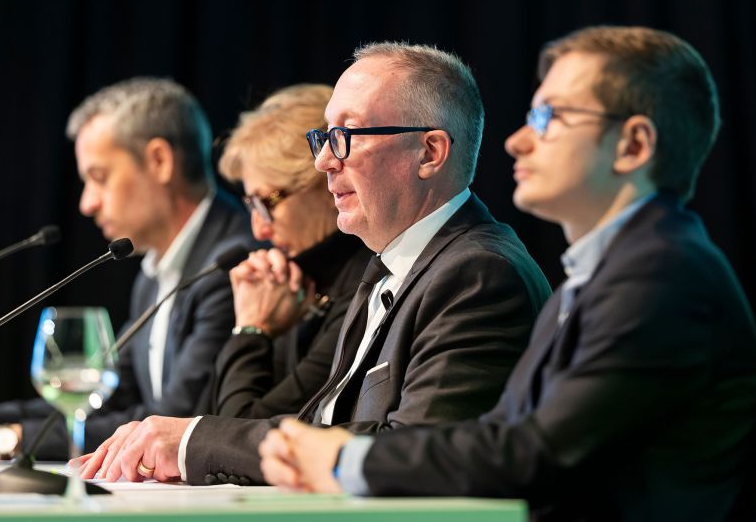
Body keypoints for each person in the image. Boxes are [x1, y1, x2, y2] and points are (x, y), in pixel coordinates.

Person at [259, 27, 756, 522]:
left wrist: (345, 460)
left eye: (550, 117)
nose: (518, 141)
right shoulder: (612, 272)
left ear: (633, 145)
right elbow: (501, 433)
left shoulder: (662, 276)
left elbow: (530, 456)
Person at [75, 43, 551, 486]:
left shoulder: (478, 273)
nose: (324, 160)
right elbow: (321, 426)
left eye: (346, 135)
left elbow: (410, 456)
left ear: (429, 153)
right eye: (324, 136)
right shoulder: (391, 265)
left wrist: (193, 441)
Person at [0, 77, 254, 461]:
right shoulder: (154, 272)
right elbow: (99, 397)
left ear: (159, 161)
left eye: (99, 178)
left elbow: (175, 420)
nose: (86, 204)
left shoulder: (232, 262)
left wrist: (0, 440)